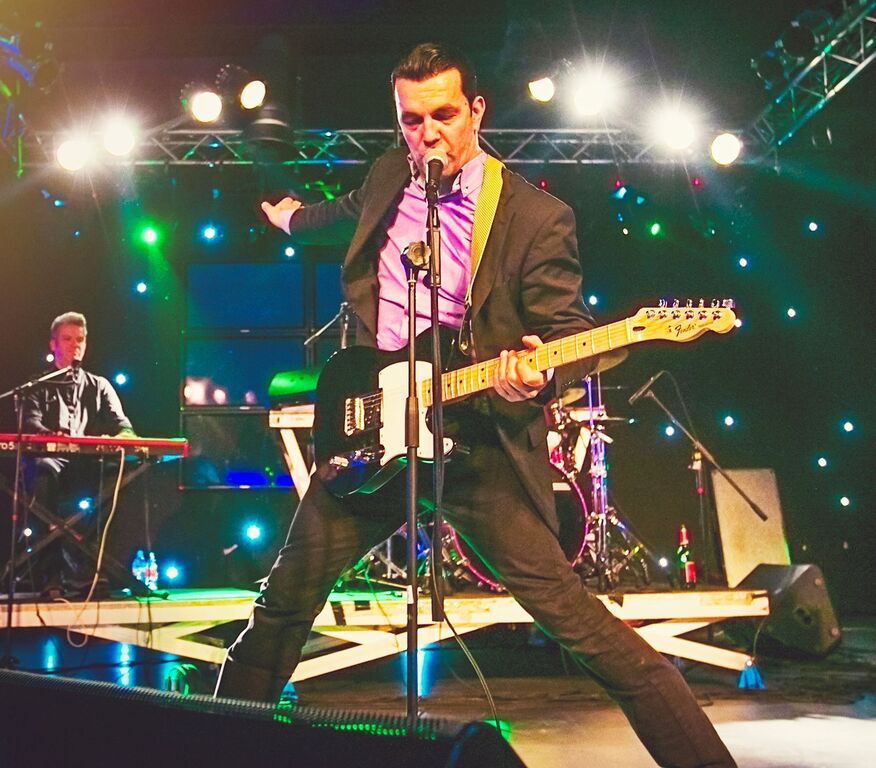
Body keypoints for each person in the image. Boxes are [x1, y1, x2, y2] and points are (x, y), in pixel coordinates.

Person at [216, 43, 736, 767]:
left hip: (478, 441)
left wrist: (538, 376)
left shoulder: (534, 217)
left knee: (579, 624)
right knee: (279, 609)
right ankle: (212, 747)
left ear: (476, 111)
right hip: (373, 436)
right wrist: (287, 214)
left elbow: (569, 331)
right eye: (411, 119)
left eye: (444, 115)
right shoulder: (388, 175)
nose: (427, 133)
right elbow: (334, 217)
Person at [21, 311, 134, 594]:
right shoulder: (37, 386)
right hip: (50, 462)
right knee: (44, 472)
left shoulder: (100, 385)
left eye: (80, 340)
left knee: (119, 474)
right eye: (67, 339)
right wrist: (49, 435)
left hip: (85, 464)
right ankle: (50, 575)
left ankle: (87, 570)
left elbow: (124, 427)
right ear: (53, 344)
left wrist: (119, 437)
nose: (75, 345)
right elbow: (30, 422)